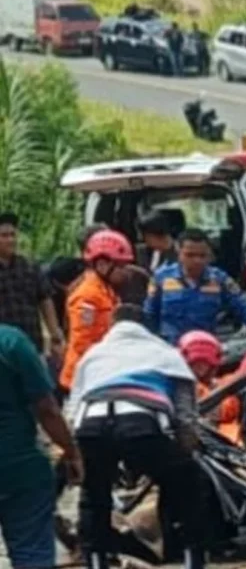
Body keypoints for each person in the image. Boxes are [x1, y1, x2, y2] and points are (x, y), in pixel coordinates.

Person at [67, 304, 206, 569]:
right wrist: (185, 448)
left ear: (112, 326)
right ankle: (193, 555)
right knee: (186, 482)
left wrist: (73, 452)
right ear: (145, 327)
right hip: (140, 423)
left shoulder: (93, 354)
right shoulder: (165, 353)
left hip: (91, 425)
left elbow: (73, 406)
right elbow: (185, 414)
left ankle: (95, 559)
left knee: (94, 494)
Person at [0, 323, 82, 569]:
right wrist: (71, 452)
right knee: (32, 554)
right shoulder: (11, 342)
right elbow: (47, 409)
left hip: (19, 466)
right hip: (19, 466)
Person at [143, 229, 246, 345]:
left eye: (202, 256)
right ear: (179, 252)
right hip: (171, 349)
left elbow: (244, 310)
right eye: (190, 255)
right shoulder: (161, 278)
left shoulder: (219, 279)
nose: (197, 260)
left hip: (205, 349)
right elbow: (149, 315)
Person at [60, 229, 136, 393]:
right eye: (121, 266)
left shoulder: (107, 291)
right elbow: (82, 343)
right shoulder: (87, 296)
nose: (126, 272)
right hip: (84, 377)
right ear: (102, 265)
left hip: (100, 371)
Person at [0, 211, 65, 363]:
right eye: (4, 236)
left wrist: (55, 336)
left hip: (31, 346)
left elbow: (46, 300)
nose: (10, 240)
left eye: (13, 235)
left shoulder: (29, 267)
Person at [178, 330, 240, 443]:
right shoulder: (182, 387)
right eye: (196, 365)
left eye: (204, 365)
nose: (200, 369)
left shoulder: (228, 382)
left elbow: (229, 410)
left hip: (225, 440)